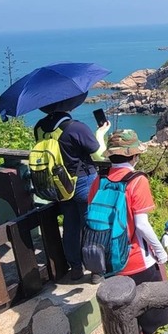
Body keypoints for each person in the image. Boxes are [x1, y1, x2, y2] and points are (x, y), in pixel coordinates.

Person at [87, 129, 168, 334]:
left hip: (110, 260)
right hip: (137, 261)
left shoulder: (99, 180)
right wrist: (161, 252)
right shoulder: (137, 180)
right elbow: (142, 224)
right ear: (134, 156)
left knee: (125, 318)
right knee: (157, 321)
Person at [35, 100, 110, 280]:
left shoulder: (39, 128)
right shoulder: (76, 127)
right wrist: (100, 133)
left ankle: (75, 268)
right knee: (92, 226)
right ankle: (96, 271)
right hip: (84, 182)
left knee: (70, 226)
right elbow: (99, 154)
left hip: (59, 184)